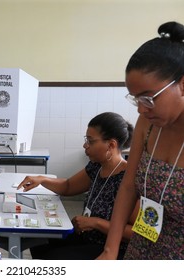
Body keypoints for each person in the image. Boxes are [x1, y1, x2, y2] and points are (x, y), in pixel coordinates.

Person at [97, 22, 184, 260]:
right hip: (142, 246)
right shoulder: (148, 124)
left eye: (148, 98)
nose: (142, 110)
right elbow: (128, 185)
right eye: (136, 99)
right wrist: (110, 249)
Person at [18, 112, 138, 259]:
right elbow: (68, 186)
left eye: (91, 141)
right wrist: (42, 180)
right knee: (38, 243)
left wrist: (95, 223)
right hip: (86, 237)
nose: (85, 145)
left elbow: (135, 233)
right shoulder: (96, 167)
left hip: (109, 248)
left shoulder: (128, 180)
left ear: (111, 145)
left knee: (53, 257)